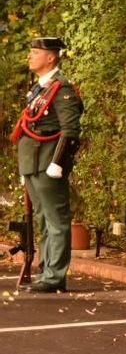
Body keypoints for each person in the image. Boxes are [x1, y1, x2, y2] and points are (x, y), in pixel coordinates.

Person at [10, 36, 84, 293]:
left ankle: (55, 277)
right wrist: (26, 167)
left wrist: (58, 163)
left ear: (50, 57)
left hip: (48, 163)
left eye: (34, 52)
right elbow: (31, 124)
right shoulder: (41, 88)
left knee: (55, 219)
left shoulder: (61, 88)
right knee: (43, 219)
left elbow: (71, 130)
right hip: (34, 163)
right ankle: (47, 271)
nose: (30, 56)